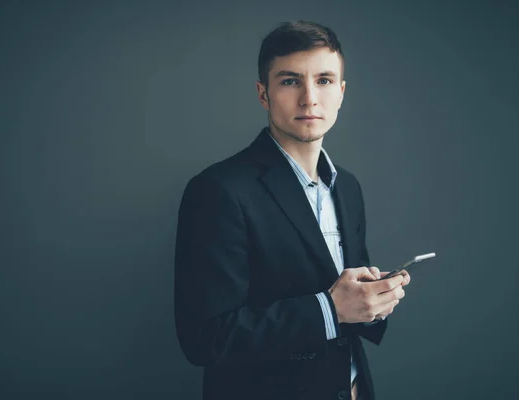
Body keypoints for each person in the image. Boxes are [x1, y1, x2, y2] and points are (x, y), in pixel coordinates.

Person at [174, 20, 410, 400]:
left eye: (324, 80)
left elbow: (345, 303)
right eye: (289, 81)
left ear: (342, 92)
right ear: (263, 94)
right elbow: (205, 338)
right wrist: (331, 309)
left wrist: (373, 300)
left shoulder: (347, 187)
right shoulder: (217, 190)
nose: (309, 98)